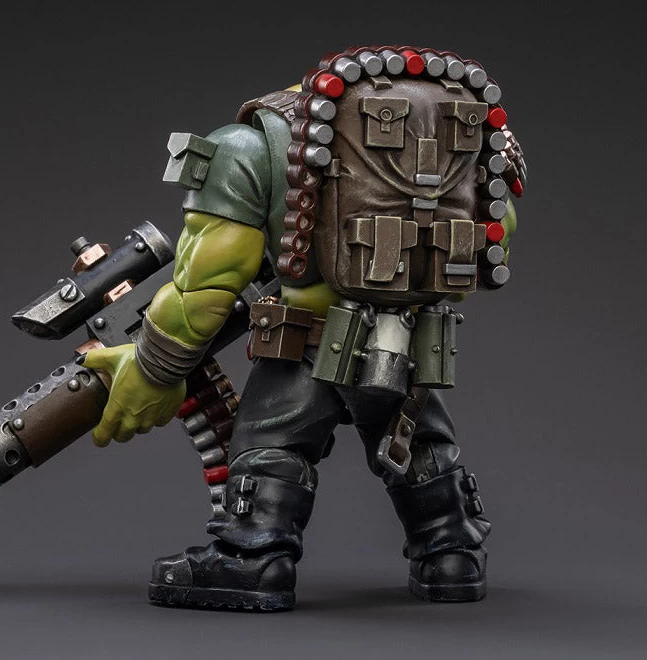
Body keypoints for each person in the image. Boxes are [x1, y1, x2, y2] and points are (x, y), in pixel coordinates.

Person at [83, 46, 524, 611]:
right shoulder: (456, 132)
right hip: (413, 339)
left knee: (274, 441)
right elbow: (495, 239)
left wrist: (152, 368)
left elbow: (205, 290)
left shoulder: (249, 145)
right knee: (420, 439)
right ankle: (453, 554)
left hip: (307, 340)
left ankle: (253, 558)